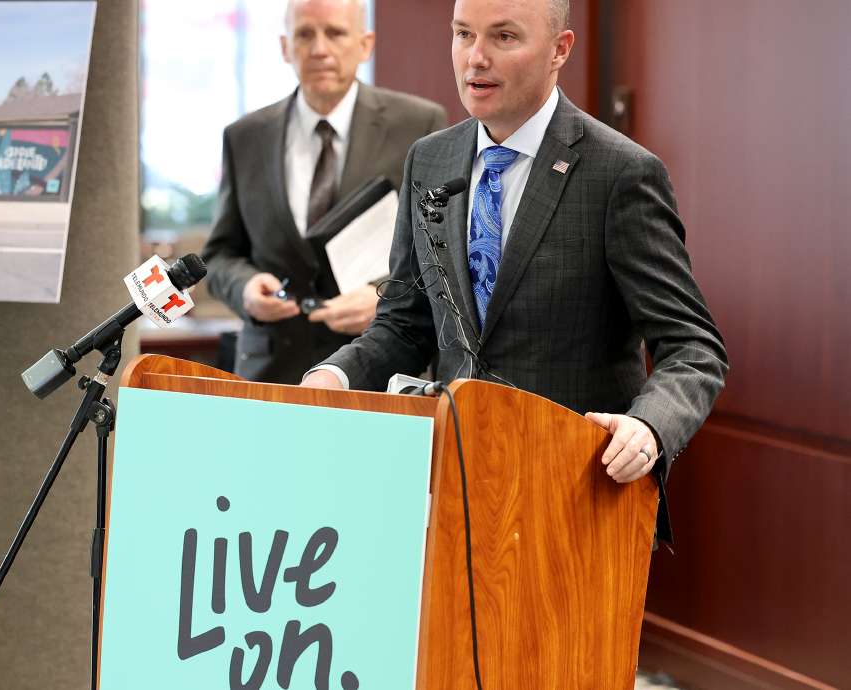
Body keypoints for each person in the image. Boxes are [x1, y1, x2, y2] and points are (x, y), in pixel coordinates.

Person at [302, 0, 728, 539]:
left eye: (503, 37)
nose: (475, 59)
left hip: (574, 499)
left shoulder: (620, 173)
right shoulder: (429, 160)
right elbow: (407, 322)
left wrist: (648, 427)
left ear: (559, 50)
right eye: (463, 35)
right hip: (448, 488)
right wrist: (334, 377)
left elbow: (694, 348)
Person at [202, 0, 448, 384]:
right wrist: (245, 289)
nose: (319, 49)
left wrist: (384, 299)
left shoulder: (418, 124)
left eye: (335, 33)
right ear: (285, 47)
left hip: (377, 370)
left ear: (365, 44)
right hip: (270, 373)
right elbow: (219, 255)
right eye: (305, 34)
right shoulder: (245, 137)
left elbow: (439, 254)